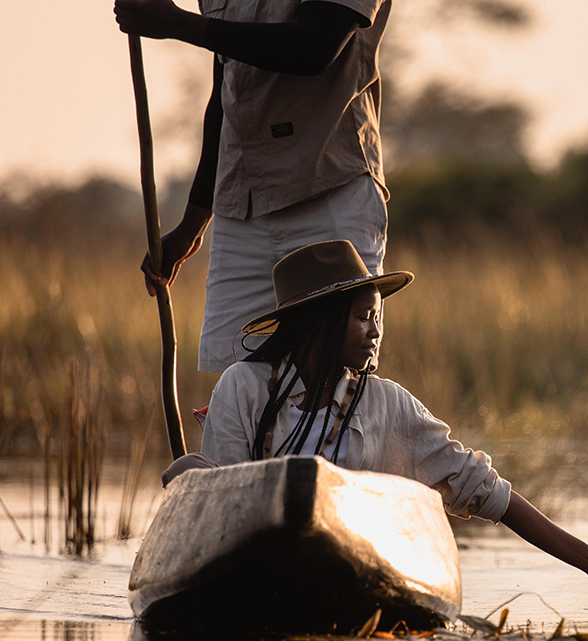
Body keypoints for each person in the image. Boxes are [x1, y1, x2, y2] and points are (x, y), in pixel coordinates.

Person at [161, 240, 588, 614]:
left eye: (377, 318)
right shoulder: (243, 386)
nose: (376, 332)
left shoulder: (387, 404)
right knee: (189, 470)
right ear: (319, 324)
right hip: (251, 571)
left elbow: (488, 493)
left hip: (341, 578)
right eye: (362, 319)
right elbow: (220, 499)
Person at [116, 0, 394, 373]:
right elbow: (225, 93)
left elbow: (314, 47)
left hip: (329, 187)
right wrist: (191, 227)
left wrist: (179, 25)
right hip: (242, 205)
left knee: (338, 381)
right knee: (240, 382)